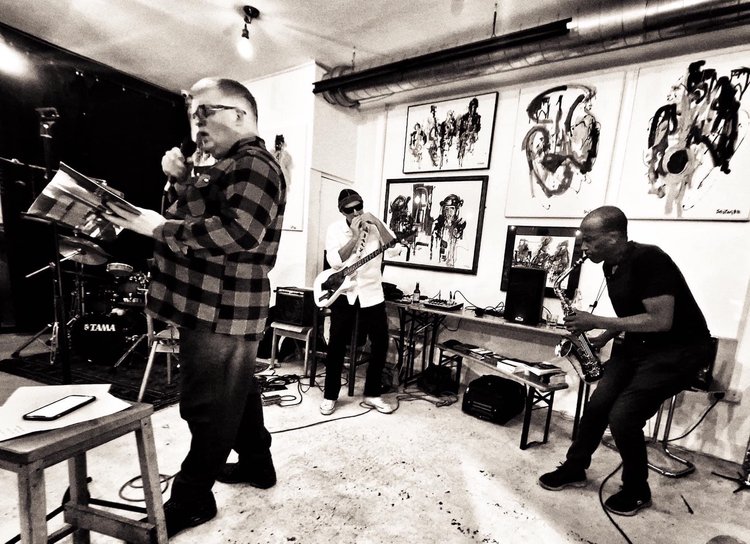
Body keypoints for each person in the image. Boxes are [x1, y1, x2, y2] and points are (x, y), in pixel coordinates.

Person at [105, 77, 286, 537]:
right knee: (237, 390)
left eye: (206, 112)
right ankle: (258, 463)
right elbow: (190, 215)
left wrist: (157, 229)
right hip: (214, 305)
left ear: (240, 115)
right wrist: (179, 181)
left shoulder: (254, 163)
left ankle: (193, 499)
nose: (196, 124)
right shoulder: (223, 166)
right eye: (192, 115)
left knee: (207, 408)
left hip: (223, 308)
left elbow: (240, 232)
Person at [538, 205, 713, 516]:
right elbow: (633, 313)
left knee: (623, 416)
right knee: (597, 406)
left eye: (590, 240)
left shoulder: (650, 259)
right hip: (638, 346)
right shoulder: (610, 265)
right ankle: (575, 467)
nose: (584, 247)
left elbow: (661, 320)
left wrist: (595, 320)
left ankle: (637, 489)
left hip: (678, 351)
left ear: (614, 236)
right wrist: (605, 336)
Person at [320, 189, 398, 416]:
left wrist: (378, 224)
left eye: (358, 207)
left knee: (380, 342)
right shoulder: (335, 229)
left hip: (372, 292)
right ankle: (330, 396)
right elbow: (335, 262)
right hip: (345, 293)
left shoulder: (375, 226)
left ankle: (372, 393)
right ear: (341, 211)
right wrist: (354, 237)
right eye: (349, 210)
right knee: (336, 344)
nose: (355, 213)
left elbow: (395, 249)